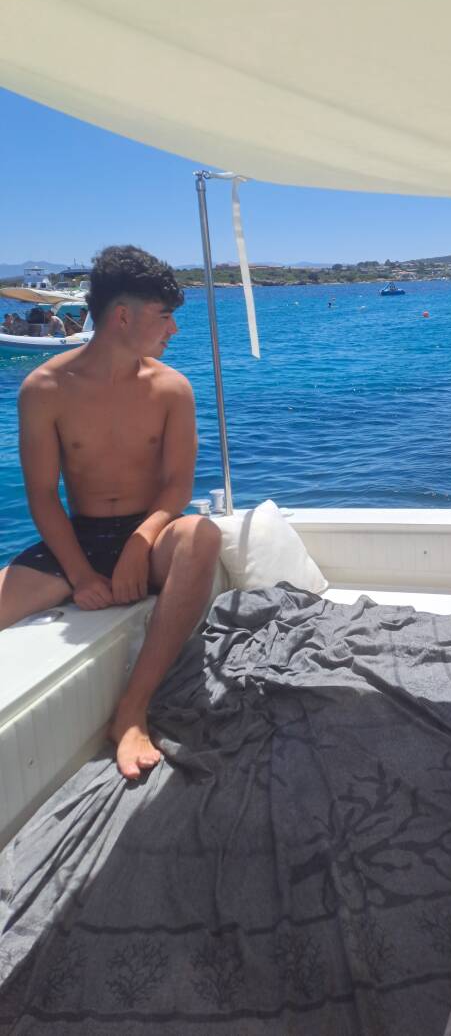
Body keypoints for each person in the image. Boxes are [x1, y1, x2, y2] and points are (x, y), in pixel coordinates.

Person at [0, 245, 221, 779]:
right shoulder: (44, 389)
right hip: (78, 540)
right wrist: (79, 575)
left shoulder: (171, 388)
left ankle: (131, 711)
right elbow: (43, 496)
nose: (174, 329)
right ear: (123, 316)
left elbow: (177, 485)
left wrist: (141, 542)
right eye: (164, 316)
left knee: (202, 535)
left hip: (152, 533)